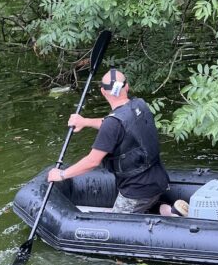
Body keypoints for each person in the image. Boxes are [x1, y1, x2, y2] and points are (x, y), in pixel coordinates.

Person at [47, 68, 169, 213]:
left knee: (115, 223)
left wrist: (61, 175)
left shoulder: (113, 124)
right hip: (159, 180)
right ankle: (168, 211)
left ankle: (165, 212)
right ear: (127, 86)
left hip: (137, 191)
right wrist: (85, 121)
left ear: (103, 92)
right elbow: (117, 126)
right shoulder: (140, 105)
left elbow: (92, 161)